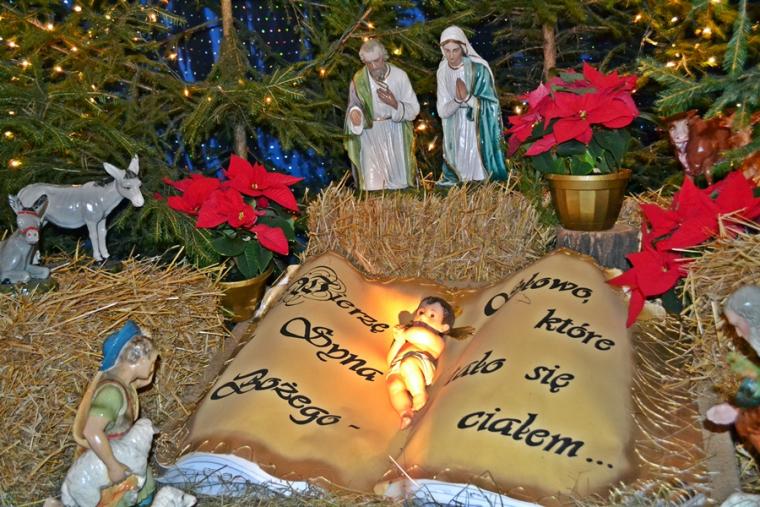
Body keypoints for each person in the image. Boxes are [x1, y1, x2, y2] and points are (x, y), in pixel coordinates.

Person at [72, 320, 159, 507]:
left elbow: (144, 380)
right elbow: (91, 431)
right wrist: (113, 466)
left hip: (124, 450)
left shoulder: (125, 383)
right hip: (107, 456)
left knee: (145, 489)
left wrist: (147, 344)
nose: (154, 367)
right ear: (138, 360)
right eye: (152, 362)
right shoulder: (111, 393)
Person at [344, 39, 420, 191]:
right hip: (370, 136)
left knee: (399, 184)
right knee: (372, 185)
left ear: (383, 57)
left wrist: (395, 104)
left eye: (376, 61)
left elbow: (414, 109)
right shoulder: (359, 80)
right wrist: (355, 114)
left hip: (396, 133)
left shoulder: (400, 76)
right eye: (368, 63)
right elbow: (354, 105)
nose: (373, 66)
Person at [436, 26, 507, 185]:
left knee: (476, 167)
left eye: (455, 50)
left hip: (476, 125)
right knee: (460, 166)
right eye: (447, 51)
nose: (451, 55)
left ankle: (480, 180)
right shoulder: (442, 71)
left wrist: (467, 98)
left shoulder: (479, 69)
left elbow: (492, 105)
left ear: (463, 48)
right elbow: (442, 111)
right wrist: (457, 100)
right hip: (454, 125)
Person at [386, 296, 454, 429]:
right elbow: (390, 361)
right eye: (421, 312)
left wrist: (404, 333)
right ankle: (404, 412)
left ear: (443, 327)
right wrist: (398, 341)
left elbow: (415, 333)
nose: (423, 317)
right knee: (393, 383)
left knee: (408, 364)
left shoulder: (436, 340)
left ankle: (419, 394)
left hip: (420, 363)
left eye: (432, 315)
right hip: (398, 367)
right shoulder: (407, 339)